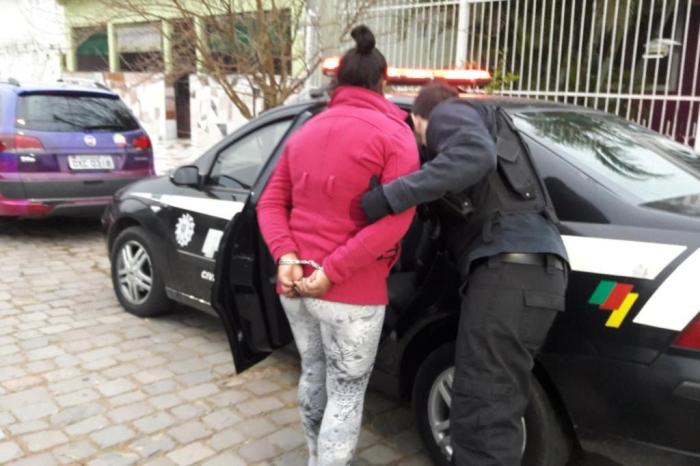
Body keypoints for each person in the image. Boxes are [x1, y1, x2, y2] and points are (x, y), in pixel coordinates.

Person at [361, 81, 569, 466]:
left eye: (419, 138)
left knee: (479, 413)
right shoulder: (492, 134)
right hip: (537, 272)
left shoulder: (449, 113)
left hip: (508, 270)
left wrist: (389, 197)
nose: (424, 149)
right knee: (496, 406)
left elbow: (475, 155)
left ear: (418, 120)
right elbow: (437, 238)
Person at [256, 25, 419, 466]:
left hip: (295, 284)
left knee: (313, 371)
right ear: (383, 80)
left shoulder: (306, 130)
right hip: (351, 292)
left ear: (338, 81)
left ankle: (315, 457)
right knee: (346, 392)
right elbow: (398, 219)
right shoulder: (395, 134)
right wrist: (333, 271)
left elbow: (269, 202)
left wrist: (286, 256)